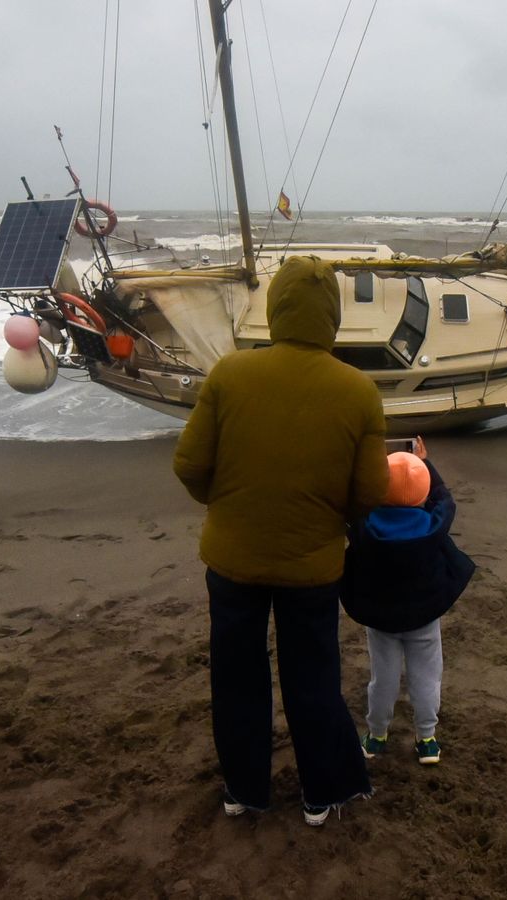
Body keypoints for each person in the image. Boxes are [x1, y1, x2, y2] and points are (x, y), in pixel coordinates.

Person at [173, 255, 390, 827]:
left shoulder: (229, 373)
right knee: (311, 676)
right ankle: (321, 795)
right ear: (332, 316)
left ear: (274, 309)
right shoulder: (358, 391)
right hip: (313, 567)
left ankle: (244, 791)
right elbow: (370, 491)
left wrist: (227, 509)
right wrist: (332, 522)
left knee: (236, 676)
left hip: (232, 561)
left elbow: (190, 465)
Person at [340, 439, 475, 767]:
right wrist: (424, 463)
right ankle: (427, 739)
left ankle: (376, 736)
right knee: (427, 676)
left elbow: (350, 503)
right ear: (423, 493)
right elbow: (445, 499)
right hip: (424, 617)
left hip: (382, 619)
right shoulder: (433, 524)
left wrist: (364, 468)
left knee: (383, 678)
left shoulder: (365, 527)